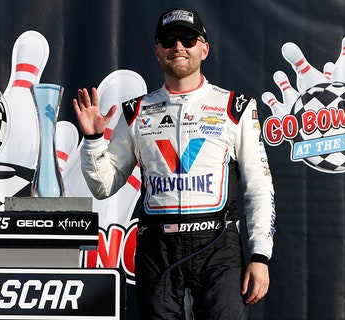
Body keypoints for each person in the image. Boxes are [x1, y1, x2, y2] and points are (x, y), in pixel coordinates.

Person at [72, 7, 276, 319]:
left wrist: (260, 255)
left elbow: (258, 187)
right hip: (158, 249)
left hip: (218, 246)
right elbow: (103, 186)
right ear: (157, 50)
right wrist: (94, 139)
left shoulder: (235, 107)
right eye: (168, 39)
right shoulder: (136, 111)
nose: (178, 46)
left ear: (204, 48)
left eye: (188, 38)